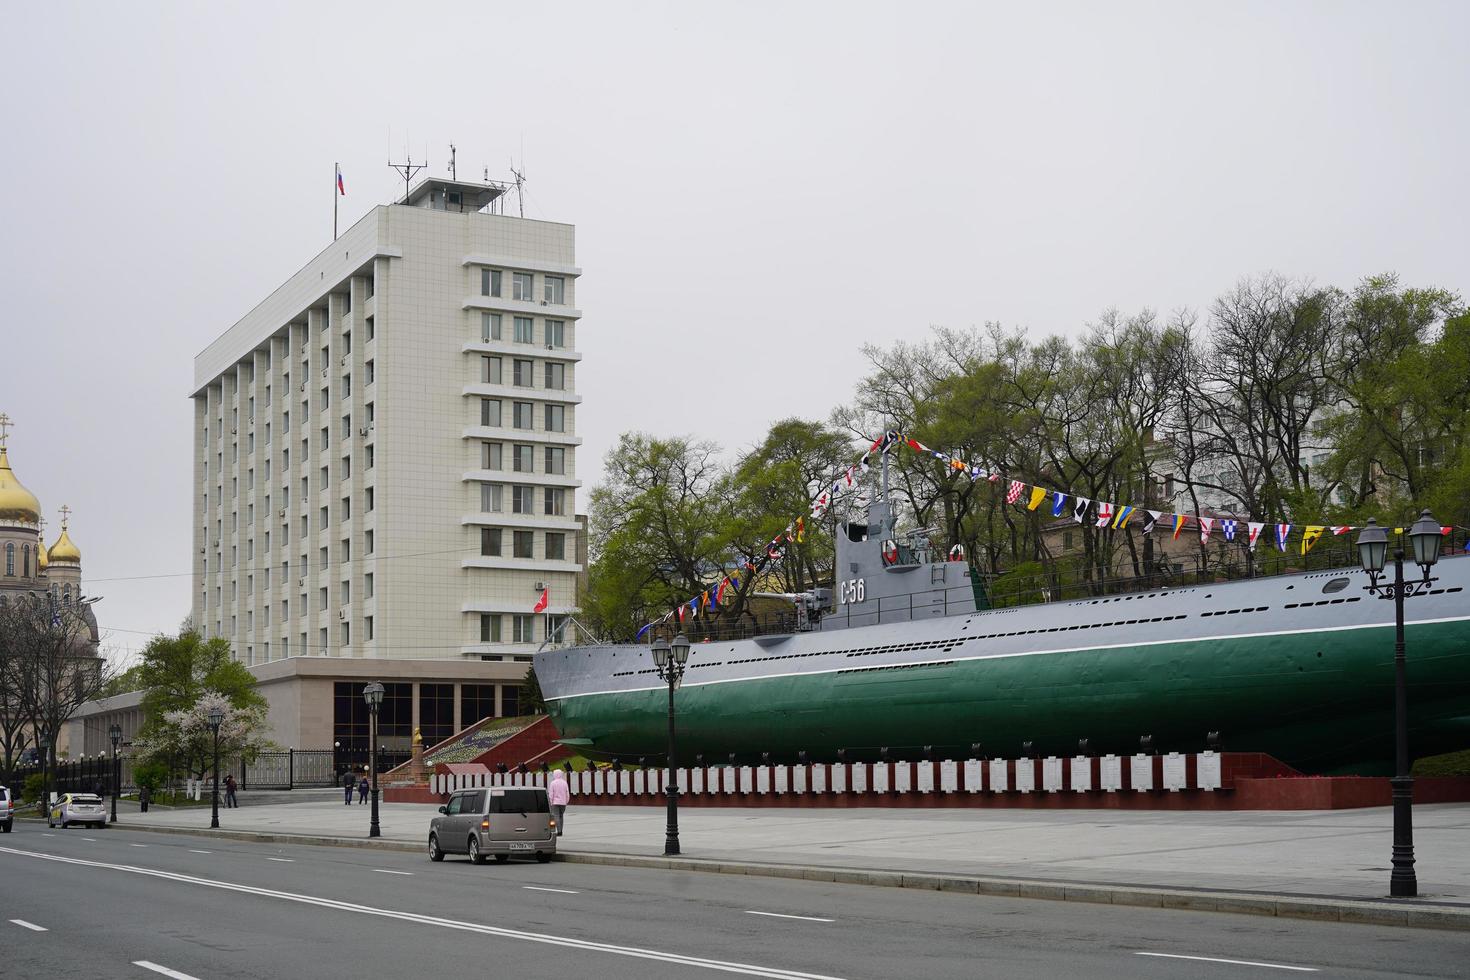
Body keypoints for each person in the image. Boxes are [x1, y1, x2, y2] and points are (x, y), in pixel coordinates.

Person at [548, 769, 570, 836]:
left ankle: (559, 831)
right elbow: (567, 793)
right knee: (561, 816)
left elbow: (551, 794)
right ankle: (561, 831)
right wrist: (566, 801)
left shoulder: (553, 783)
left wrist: (550, 802)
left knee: (556, 816)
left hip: (555, 802)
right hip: (563, 802)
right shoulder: (564, 782)